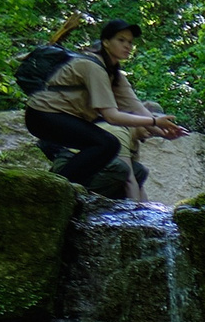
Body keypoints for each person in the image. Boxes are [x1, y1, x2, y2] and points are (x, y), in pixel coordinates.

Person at [23, 17, 186, 193]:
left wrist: (164, 132)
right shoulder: (92, 67)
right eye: (121, 40)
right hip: (42, 115)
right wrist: (155, 122)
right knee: (106, 144)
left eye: (130, 42)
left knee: (106, 147)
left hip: (60, 118)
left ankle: (69, 190)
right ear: (106, 43)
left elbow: (137, 109)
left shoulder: (114, 74)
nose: (127, 46)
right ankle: (57, 190)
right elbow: (111, 117)